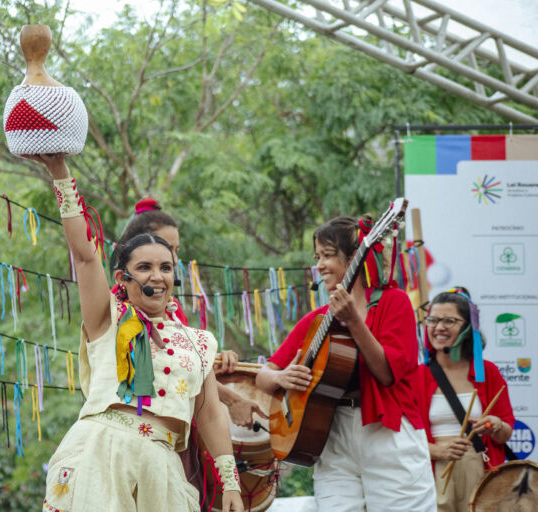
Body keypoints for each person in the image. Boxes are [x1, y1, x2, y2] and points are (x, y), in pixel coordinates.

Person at [30, 153, 244, 511]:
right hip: (101, 451)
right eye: (143, 267)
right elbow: (84, 256)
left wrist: (231, 483)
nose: (156, 276)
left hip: (161, 464)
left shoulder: (199, 342)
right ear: (122, 278)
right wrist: (60, 173)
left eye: (165, 267)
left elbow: (209, 415)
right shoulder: (108, 319)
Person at [255, 215, 436, 511]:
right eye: (318, 257)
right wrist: (282, 378)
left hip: (387, 434)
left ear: (355, 258)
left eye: (328, 255)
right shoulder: (318, 319)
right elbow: (265, 375)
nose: (320, 265)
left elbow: (387, 373)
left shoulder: (394, 302)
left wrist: (354, 321)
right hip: (332, 435)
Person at [113, 197, 265, 430]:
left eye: (175, 250)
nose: (173, 258)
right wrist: (231, 398)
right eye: (166, 247)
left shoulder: (170, 307)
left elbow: (178, 367)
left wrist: (209, 359)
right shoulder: (117, 310)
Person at [419, 287, 514, 512]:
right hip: (431, 473)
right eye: (433, 319)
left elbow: (505, 431)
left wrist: (496, 425)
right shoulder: (416, 376)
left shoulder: (488, 372)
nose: (439, 327)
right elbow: (402, 439)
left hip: (479, 472)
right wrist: (438, 451)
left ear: (468, 326)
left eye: (449, 320)